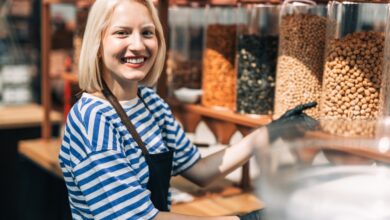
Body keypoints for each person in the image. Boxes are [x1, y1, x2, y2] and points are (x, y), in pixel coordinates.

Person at [58, 0, 317, 219]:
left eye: (147, 33)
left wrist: (270, 132)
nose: (138, 45)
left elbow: (199, 170)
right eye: (122, 33)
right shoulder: (93, 121)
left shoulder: (151, 102)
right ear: (98, 45)